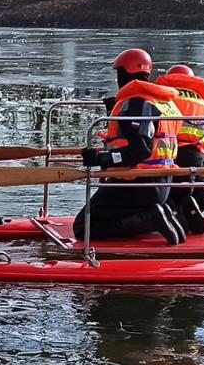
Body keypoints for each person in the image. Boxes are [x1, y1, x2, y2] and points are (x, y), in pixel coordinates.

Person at [74, 48, 187, 244]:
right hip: (162, 183)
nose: (118, 78)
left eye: (119, 73)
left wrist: (102, 159)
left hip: (137, 183)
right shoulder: (165, 103)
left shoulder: (136, 102)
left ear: (125, 73)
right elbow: (144, 139)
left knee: (82, 227)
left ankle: (150, 219)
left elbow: (140, 150)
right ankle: (162, 212)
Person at [155, 64, 204, 236]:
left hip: (171, 157)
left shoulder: (166, 99)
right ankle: (191, 203)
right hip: (197, 158)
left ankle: (175, 213)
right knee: (190, 182)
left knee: (156, 186)